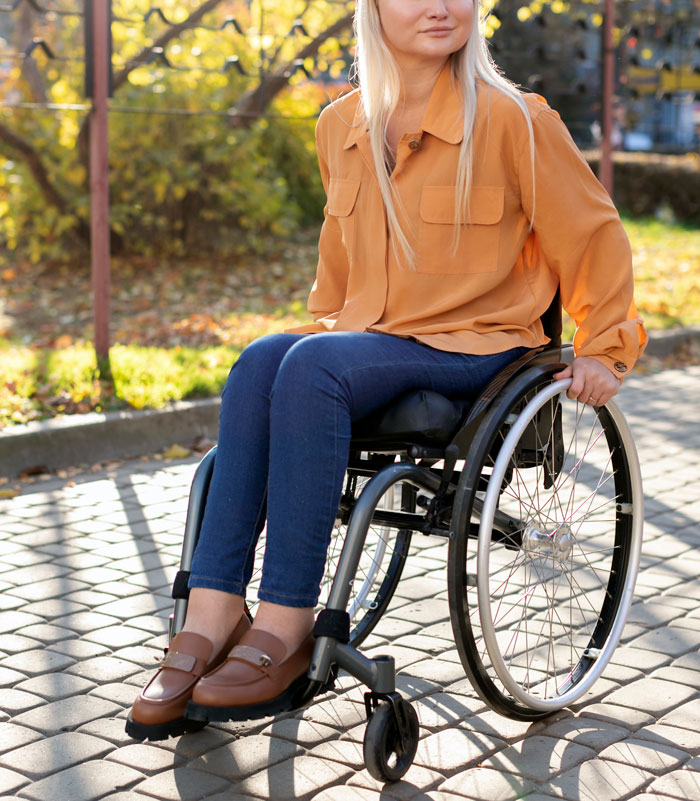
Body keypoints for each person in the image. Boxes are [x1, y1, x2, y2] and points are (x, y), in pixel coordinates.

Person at [127, 0, 647, 740]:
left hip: (478, 345)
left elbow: (595, 236)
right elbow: (337, 279)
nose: (441, 6)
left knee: (307, 367)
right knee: (258, 364)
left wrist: (603, 345)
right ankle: (209, 618)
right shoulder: (341, 125)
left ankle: (285, 622)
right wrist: (309, 355)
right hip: (373, 338)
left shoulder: (515, 120)